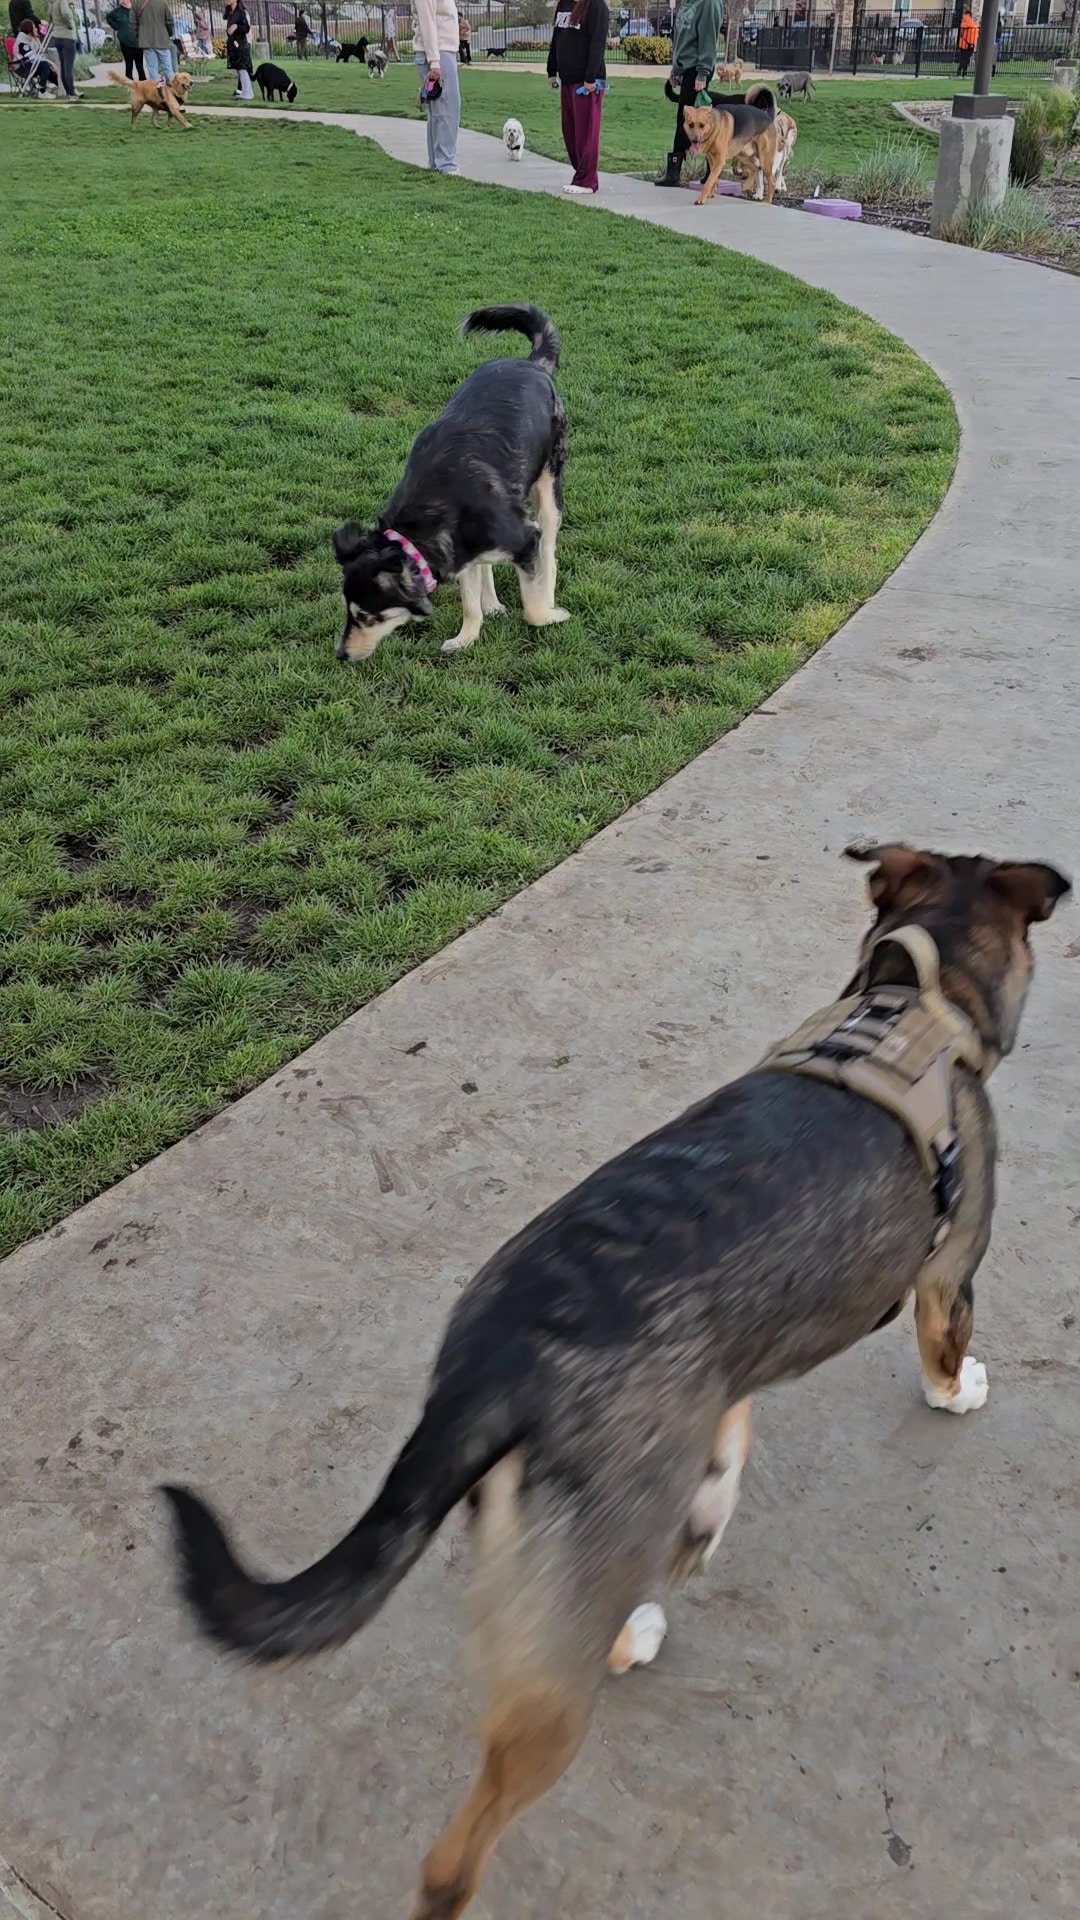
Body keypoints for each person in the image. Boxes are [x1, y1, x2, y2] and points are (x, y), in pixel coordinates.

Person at [655, 0, 722, 187]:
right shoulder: (687, 3)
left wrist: (703, 72)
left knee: (691, 122)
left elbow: (708, 38)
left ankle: (677, 174)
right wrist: (675, 70)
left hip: (696, 70)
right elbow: (682, 40)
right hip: (685, 69)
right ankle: (677, 172)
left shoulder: (708, 4)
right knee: (685, 122)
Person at [547, 0, 609, 196]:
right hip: (567, 78)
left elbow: (597, 43)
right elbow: (557, 38)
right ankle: (580, 175)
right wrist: (552, 69)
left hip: (587, 84)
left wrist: (590, 76)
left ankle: (587, 180)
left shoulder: (596, 6)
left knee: (586, 132)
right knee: (571, 132)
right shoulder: (564, 4)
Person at [412, 0, 461, 175]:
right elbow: (427, 21)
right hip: (438, 53)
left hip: (441, 52)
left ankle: (437, 163)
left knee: (439, 111)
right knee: (446, 110)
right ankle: (445, 164)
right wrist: (434, 61)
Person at [133, 0, 176, 79]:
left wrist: (139, 34)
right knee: (167, 67)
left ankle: (156, 88)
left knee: (152, 68)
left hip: (146, 40)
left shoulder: (136, 3)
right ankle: (172, 88)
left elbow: (133, 22)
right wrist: (169, 33)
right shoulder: (162, 2)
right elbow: (169, 21)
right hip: (162, 39)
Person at [46, 0, 80, 96]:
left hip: (57, 36)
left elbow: (50, 15)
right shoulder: (62, 1)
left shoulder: (52, 2)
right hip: (67, 37)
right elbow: (66, 13)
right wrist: (70, 24)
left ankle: (68, 92)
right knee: (68, 67)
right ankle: (71, 92)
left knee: (63, 66)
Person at [13, 15, 57, 88]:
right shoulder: (22, 41)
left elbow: (40, 52)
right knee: (45, 65)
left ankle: (65, 88)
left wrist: (36, 39)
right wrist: (50, 62)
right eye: (34, 28)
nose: (36, 29)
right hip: (22, 67)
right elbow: (31, 57)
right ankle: (42, 90)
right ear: (29, 30)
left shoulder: (31, 38)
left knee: (48, 68)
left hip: (30, 64)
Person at [105, 0, 145, 79]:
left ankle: (143, 86)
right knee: (129, 66)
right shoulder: (117, 11)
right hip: (125, 43)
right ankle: (129, 86)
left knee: (140, 66)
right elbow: (108, 17)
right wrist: (117, 27)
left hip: (138, 42)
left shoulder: (136, 9)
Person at [224, 0, 253, 97]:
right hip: (233, 45)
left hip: (240, 44)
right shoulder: (230, 13)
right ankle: (244, 92)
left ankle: (248, 93)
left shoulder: (241, 12)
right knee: (239, 69)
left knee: (243, 68)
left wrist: (236, 26)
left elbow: (246, 28)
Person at [956, 7, 977, 78]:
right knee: (966, 59)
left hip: (963, 44)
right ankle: (964, 73)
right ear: (970, 15)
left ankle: (959, 72)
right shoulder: (973, 25)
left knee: (962, 59)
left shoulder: (963, 23)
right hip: (970, 44)